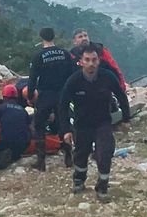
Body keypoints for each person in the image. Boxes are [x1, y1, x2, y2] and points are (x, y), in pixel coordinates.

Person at [58, 43, 131, 202]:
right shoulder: (74, 80)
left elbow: (122, 96)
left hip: (103, 123)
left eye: (94, 60)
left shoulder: (108, 77)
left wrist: (126, 119)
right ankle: (79, 180)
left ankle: (102, 187)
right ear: (81, 61)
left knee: (105, 153)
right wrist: (66, 130)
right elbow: (62, 106)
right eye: (87, 60)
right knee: (81, 155)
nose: (91, 63)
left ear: (99, 60)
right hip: (81, 125)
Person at [28, 27, 76, 171]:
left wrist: (30, 96)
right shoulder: (65, 54)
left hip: (45, 94)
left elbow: (32, 79)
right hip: (62, 94)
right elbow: (72, 75)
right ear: (54, 37)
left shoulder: (38, 56)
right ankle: (68, 157)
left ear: (41, 37)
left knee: (39, 126)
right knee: (64, 124)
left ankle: (41, 162)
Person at [0, 84, 32, 169]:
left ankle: (3, 156)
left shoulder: (1, 108)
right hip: (23, 144)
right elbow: (30, 129)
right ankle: (14, 156)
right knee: (15, 150)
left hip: (6, 142)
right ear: (16, 97)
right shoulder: (23, 110)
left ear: (4, 97)